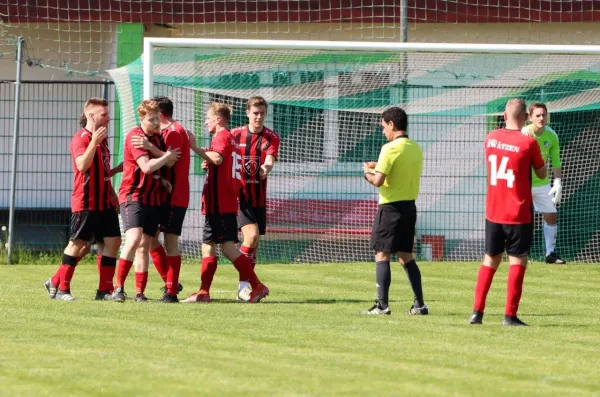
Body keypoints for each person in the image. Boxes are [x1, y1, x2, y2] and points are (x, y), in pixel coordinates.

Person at [470, 98, 546, 326]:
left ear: (504, 115)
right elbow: (542, 174)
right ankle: (509, 315)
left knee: (489, 261)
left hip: (493, 212)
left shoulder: (490, 138)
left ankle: (477, 312)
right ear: (525, 118)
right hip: (518, 212)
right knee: (517, 261)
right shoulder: (528, 143)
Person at [183, 103, 269, 303]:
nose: (205, 121)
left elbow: (219, 158)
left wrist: (195, 147)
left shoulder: (221, 136)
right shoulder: (229, 138)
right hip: (221, 202)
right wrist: (208, 161)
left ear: (218, 119)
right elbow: (219, 161)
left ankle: (257, 286)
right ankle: (203, 292)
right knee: (208, 246)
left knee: (227, 248)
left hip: (220, 203)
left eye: (208, 118)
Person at [44, 98, 122, 301]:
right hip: (86, 202)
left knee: (113, 241)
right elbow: (82, 166)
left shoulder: (103, 139)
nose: (108, 117)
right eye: (104, 114)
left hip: (105, 202)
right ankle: (62, 289)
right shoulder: (81, 138)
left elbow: (102, 172)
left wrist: (113, 194)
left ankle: (104, 290)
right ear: (91, 116)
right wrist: (94, 142)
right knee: (78, 244)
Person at [110, 99, 180, 302]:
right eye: (151, 119)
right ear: (142, 119)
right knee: (132, 239)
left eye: (157, 118)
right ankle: (118, 289)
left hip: (153, 198)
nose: (157, 123)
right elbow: (147, 167)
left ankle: (140, 293)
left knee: (144, 244)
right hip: (133, 196)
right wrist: (165, 156)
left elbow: (169, 161)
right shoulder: (135, 136)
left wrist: (162, 177)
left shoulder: (156, 139)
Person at [360, 106, 427, 316]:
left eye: (383, 127)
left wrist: (367, 173)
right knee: (406, 256)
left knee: (382, 253)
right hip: (409, 207)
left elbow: (379, 181)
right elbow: (398, 171)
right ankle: (419, 305)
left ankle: (382, 305)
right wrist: (377, 165)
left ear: (391, 124)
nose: (383, 131)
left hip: (390, 208)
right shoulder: (415, 147)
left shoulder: (389, 148)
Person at [131, 96, 190, 303]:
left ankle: (171, 291)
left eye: (155, 117)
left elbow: (171, 161)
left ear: (160, 116)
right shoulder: (173, 131)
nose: (153, 122)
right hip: (162, 196)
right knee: (150, 241)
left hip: (175, 197)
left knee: (171, 241)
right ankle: (170, 282)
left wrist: (149, 147)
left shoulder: (173, 132)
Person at [231, 96, 280, 301]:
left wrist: (266, 167)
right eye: (255, 113)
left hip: (258, 197)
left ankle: (244, 288)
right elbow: (221, 153)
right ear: (247, 113)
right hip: (238, 195)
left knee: (254, 242)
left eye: (262, 113)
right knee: (250, 237)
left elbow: (270, 158)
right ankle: (247, 286)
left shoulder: (271, 137)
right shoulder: (235, 134)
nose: (259, 117)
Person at [522, 103, 565, 264]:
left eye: (544, 115)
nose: (541, 118)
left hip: (542, 183)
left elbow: (555, 161)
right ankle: (519, 251)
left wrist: (558, 182)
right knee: (520, 218)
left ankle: (550, 253)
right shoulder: (524, 134)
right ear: (530, 117)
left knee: (552, 215)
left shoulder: (552, 136)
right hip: (523, 183)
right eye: (538, 115)